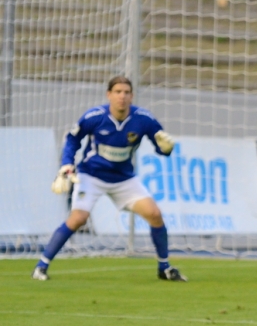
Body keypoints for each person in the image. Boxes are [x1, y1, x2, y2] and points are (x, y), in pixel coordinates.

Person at [33, 76, 186, 282]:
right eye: (117, 92)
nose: (122, 97)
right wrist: (67, 165)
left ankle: (164, 268)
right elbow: (72, 140)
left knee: (154, 214)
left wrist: (166, 149)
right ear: (109, 95)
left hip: (124, 179)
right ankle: (41, 266)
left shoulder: (144, 119)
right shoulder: (94, 117)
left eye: (126, 92)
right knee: (78, 218)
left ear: (132, 96)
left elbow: (161, 145)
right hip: (91, 176)